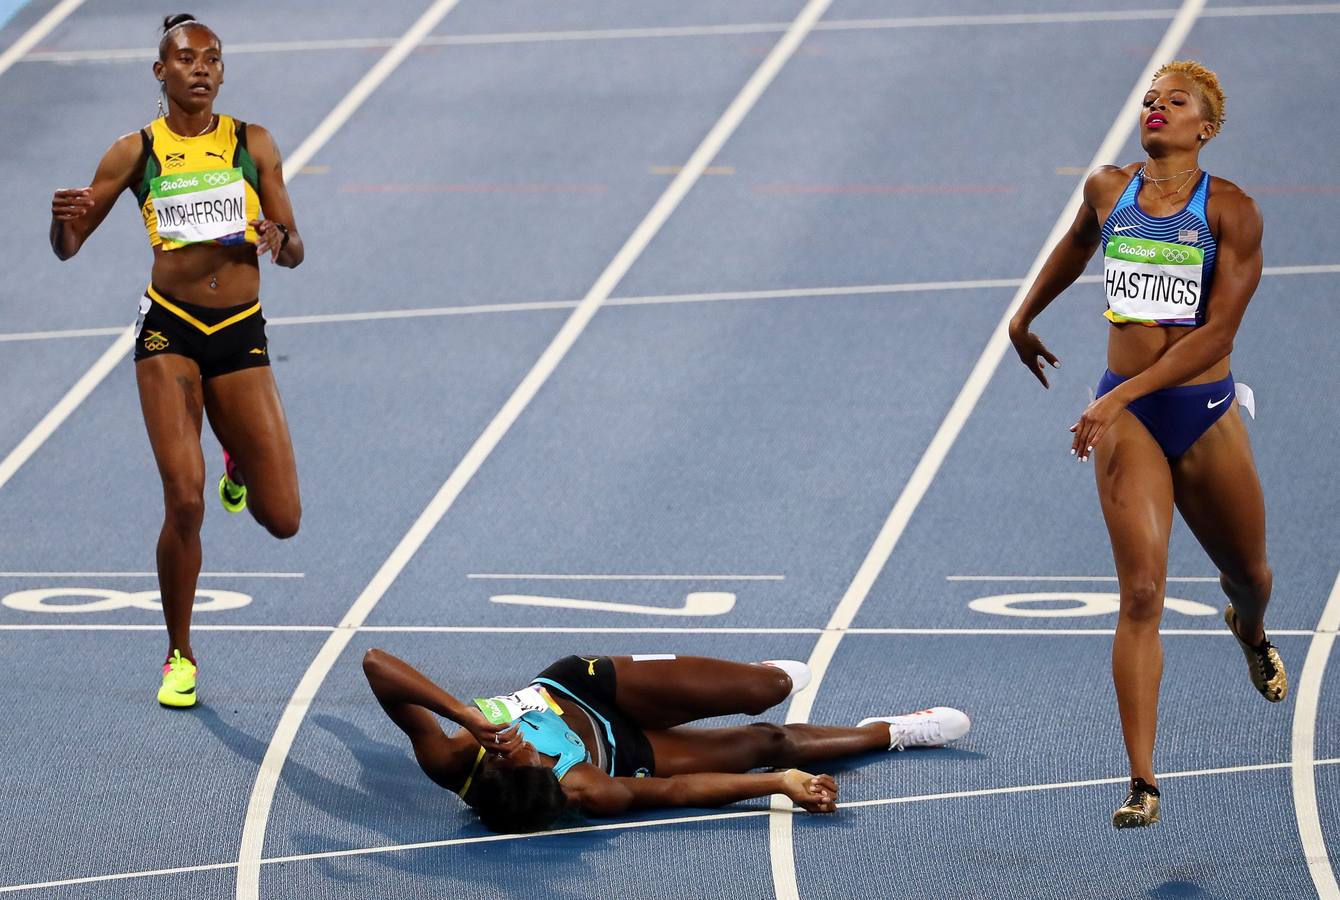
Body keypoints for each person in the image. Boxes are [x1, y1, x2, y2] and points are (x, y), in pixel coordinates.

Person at [1007, 60, 1286, 828]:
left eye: (1177, 101)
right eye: (1150, 99)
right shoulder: (1109, 189)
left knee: (1251, 574)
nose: (1157, 107)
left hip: (1199, 407)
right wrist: (1022, 318)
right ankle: (1143, 781)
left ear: (1207, 128)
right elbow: (1073, 246)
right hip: (1125, 420)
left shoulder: (1232, 211)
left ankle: (1251, 630)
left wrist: (1122, 393)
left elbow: (1216, 335)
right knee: (1141, 594)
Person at [48, 14, 304, 708]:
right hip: (171, 330)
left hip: (240, 331)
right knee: (184, 499)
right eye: (187, 59)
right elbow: (68, 246)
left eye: (213, 60)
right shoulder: (134, 151)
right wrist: (62, 218)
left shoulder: (252, 143)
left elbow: (294, 246)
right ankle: (179, 654)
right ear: (160, 72)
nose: (201, 69)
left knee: (282, 520)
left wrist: (272, 235)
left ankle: (237, 457)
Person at [362, 649, 971, 833]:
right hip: (626, 750)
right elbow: (679, 791)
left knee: (768, 684)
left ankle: (751, 677)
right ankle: (891, 730)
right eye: (532, 755)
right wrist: (777, 786)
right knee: (768, 738)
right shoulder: (587, 788)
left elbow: (376, 666)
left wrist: (462, 715)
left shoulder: (450, 757)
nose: (519, 742)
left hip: (587, 687)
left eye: (513, 750)